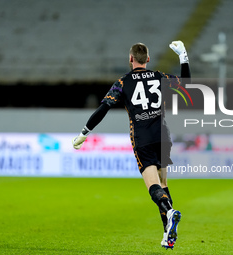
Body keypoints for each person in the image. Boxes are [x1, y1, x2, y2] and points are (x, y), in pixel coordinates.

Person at [72, 41, 191, 249]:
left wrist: (84, 132)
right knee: (163, 184)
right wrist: (183, 55)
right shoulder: (159, 76)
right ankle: (167, 235)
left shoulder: (123, 82)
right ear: (148, 60)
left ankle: (170, 213)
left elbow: (104, 108)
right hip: (162, 137)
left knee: (153, 187)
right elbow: (187, 83)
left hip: (142, 138)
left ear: (130, 59)